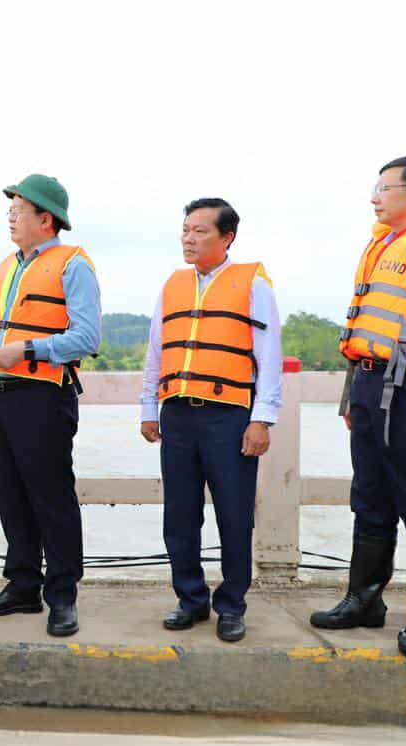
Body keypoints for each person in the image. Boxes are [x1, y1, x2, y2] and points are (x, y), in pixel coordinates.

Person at [311, 155, 406, 657]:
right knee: (369, 496)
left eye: (384, 188)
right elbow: (366, 328)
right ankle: (364, 601)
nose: (375, 198)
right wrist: (352, 395)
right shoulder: (383, 246)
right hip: (371, 385)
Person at [0, 174, 101, 638]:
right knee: (12, 497)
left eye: (18, 211)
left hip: (44, 397)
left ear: (46, 219)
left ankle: (62, 597)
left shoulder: (74, 265)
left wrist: (27, 352)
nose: (11, 218)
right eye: (10, 211)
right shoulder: (6, 268)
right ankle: (22, 586)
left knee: (52, 498)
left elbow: (87, 337)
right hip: (2, 398)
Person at [139, 198, 282, 643]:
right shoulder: (172, 286)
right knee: (179, 515)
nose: (189, 238)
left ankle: (232, 604)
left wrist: (263, 419)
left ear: (226, 238)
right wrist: (149, 407)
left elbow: (270, 356)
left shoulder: (252, 283)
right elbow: (156, 352)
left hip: (230, 417)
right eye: (185, 229)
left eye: (200, 231)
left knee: (234, 514)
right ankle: (190, 599)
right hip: (178, 412)